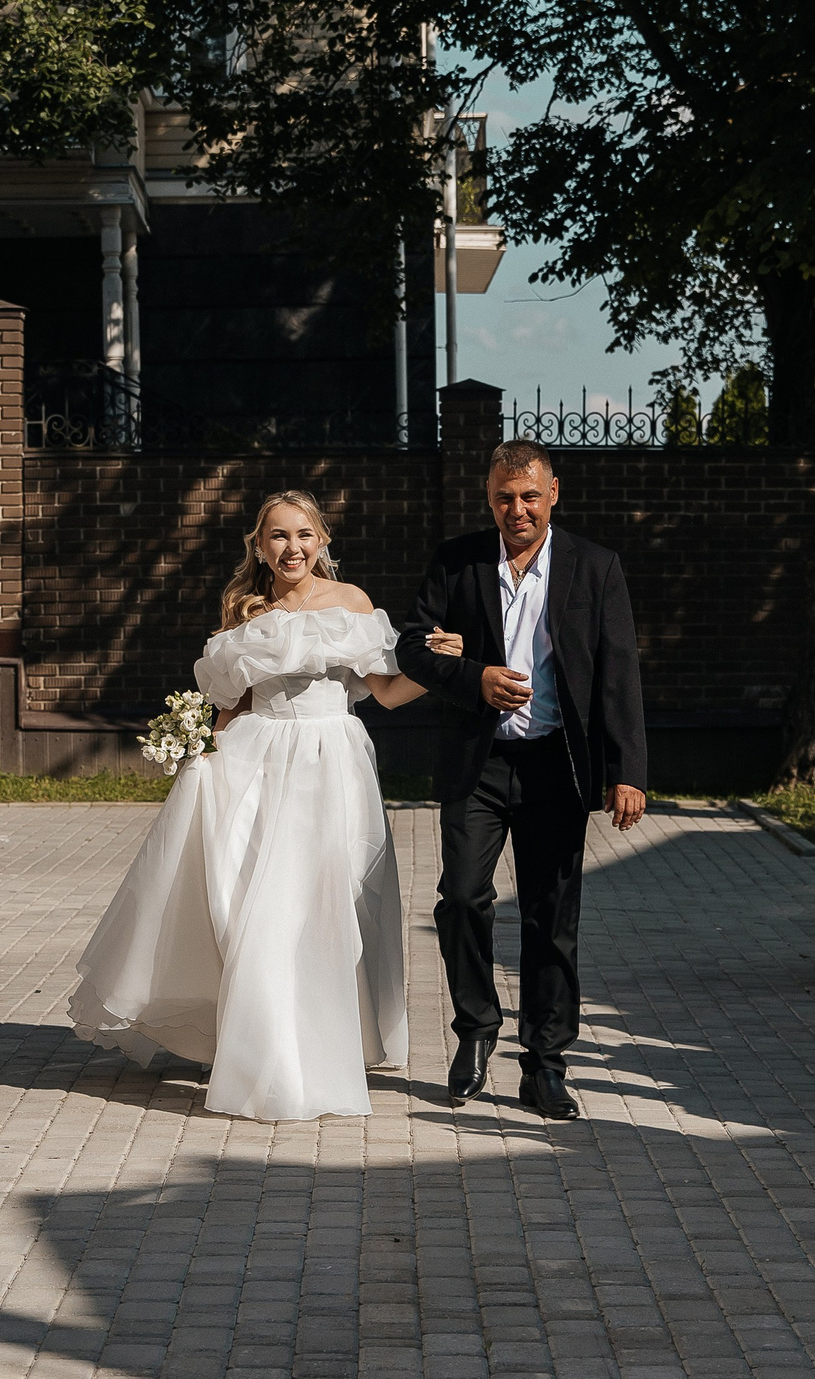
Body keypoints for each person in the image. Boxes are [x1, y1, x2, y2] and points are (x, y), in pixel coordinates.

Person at [70, 491, 428, 1120]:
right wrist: (201, 749)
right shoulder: (246, 613)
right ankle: (268, 1061)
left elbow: (390, 695)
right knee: (264, 909)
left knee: (330, 904)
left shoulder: (352, 606)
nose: (293, 548)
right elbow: (229, 709)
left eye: (304, 535)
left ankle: (325, 1050)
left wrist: (437, 666)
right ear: (259, 547)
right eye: (279, 537)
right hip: (258, 760)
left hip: (333, 761)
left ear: (322, 541)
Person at [396, 442, 648, 1122]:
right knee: (462, 898)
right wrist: (472, 676)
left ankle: (545, 1065)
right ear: (490, 498)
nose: (518, 509)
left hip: (556, 767)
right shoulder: (459, 561)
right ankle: (476, 1029)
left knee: (550, 918)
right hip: (477, 765)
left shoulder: (595, 567)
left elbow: (620, 673)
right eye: (505, 497)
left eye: (530, 496)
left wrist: (627, 773)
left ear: (553, 494)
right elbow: (411, 645)